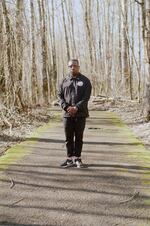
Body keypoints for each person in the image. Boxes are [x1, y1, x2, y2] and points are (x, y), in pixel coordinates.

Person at [58, 59, 92, 168]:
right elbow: (60, 96)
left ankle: (77, 158)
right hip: (67, 114)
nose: (73, 67)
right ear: (68, 67)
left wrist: (76, 107)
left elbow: (86, 97)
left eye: (75, 66)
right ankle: (69, 159)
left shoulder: (85, 81)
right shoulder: (64, 81)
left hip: (80, 114)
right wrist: (67, 107)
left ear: (78, 67)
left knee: (78, 137)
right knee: (68, 138)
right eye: (70, 66)